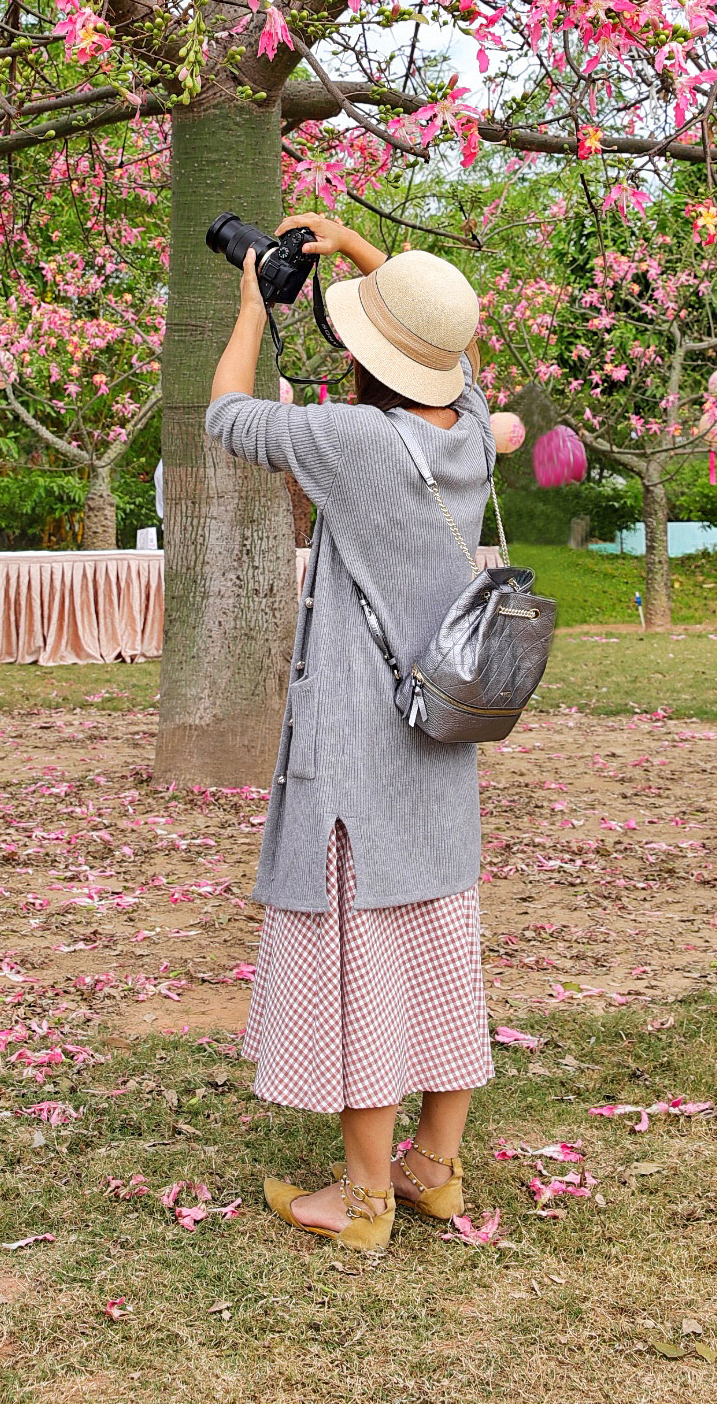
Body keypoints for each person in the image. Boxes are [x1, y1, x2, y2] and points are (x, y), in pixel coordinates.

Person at [204, 213, 495, 1256]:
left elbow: (229, 416)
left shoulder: (355, 441)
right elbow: (450, 361)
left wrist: (250, 308)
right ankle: (433, 1169)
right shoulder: (465, 428)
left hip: (355, 753)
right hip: (440, 739)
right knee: (437, 950)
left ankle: (363, 1200)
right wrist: (372, 261)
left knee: (363, 963)